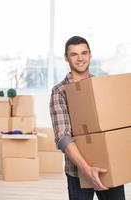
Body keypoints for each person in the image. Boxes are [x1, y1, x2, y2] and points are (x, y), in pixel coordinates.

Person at [50, 36, 125, 200]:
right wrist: (87, 169)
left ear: (90, 54)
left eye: (84, 53)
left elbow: (116, 124)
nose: (80, 58)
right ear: (66, 57)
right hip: (78, 171)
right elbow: (63, 137)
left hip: (108, 166)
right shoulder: (59, 91)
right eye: (74, 54)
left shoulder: (101, 86)